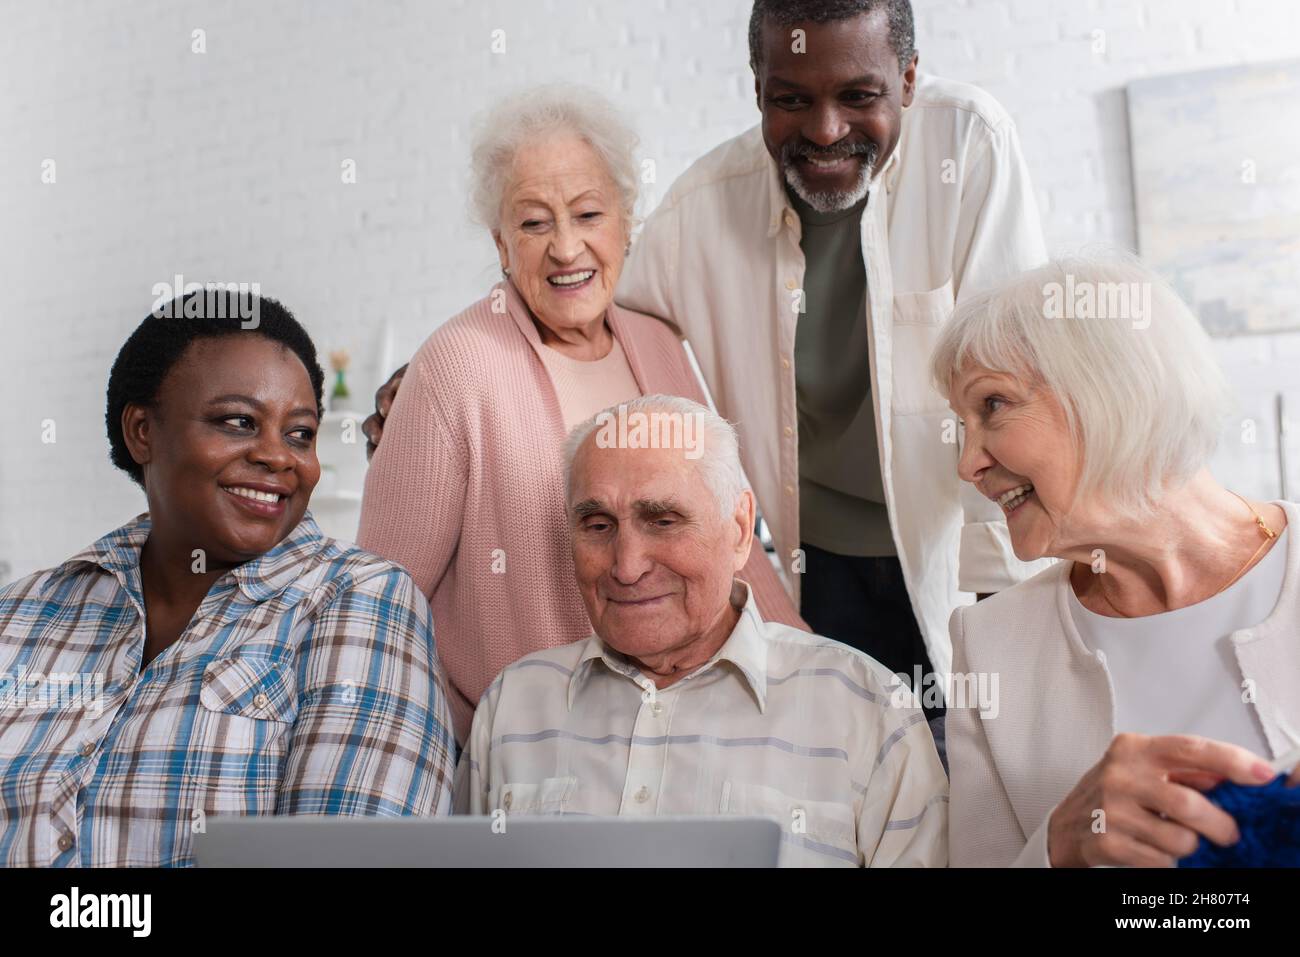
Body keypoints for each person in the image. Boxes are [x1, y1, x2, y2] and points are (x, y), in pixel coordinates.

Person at [367, 1, 1050, 723]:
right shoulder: (699, 211)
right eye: (792, 99)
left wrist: (995, 611)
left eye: (857, 96)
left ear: (907, 80)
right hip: (802, 575)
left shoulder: (968, 145)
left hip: (963, 556)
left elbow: (1018, 382)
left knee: (956, 777)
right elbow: (577, 292)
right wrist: (428, 382)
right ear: (758, 93)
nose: (825, 129)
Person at [357, 88, 803, 745]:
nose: (566, 248)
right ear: (501, 244)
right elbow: (380, 601)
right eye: (534, 223)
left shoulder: (659, 345)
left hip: (684, 731)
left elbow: (732, 550)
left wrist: (810, 676)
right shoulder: (455, 364)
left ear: (625, 222)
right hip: (533, 745)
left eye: (588, 213)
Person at [0, 290, 455, 867]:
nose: (278, 457)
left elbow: (350, 859)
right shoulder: (20, 615)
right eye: (239, 422)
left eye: (300, 434)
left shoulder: (359, 600)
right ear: (143, 431)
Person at [454, 395, 947, 868]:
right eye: (599, 526)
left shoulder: (869, 708)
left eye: (663, 521)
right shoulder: (512, 706)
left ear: (738, 529)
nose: (626, 567)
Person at [932, 253, 1300, 867]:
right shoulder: (990, 641)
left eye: (992, 405)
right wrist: (1058, 847)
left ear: (1107, 388)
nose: (966, 464)